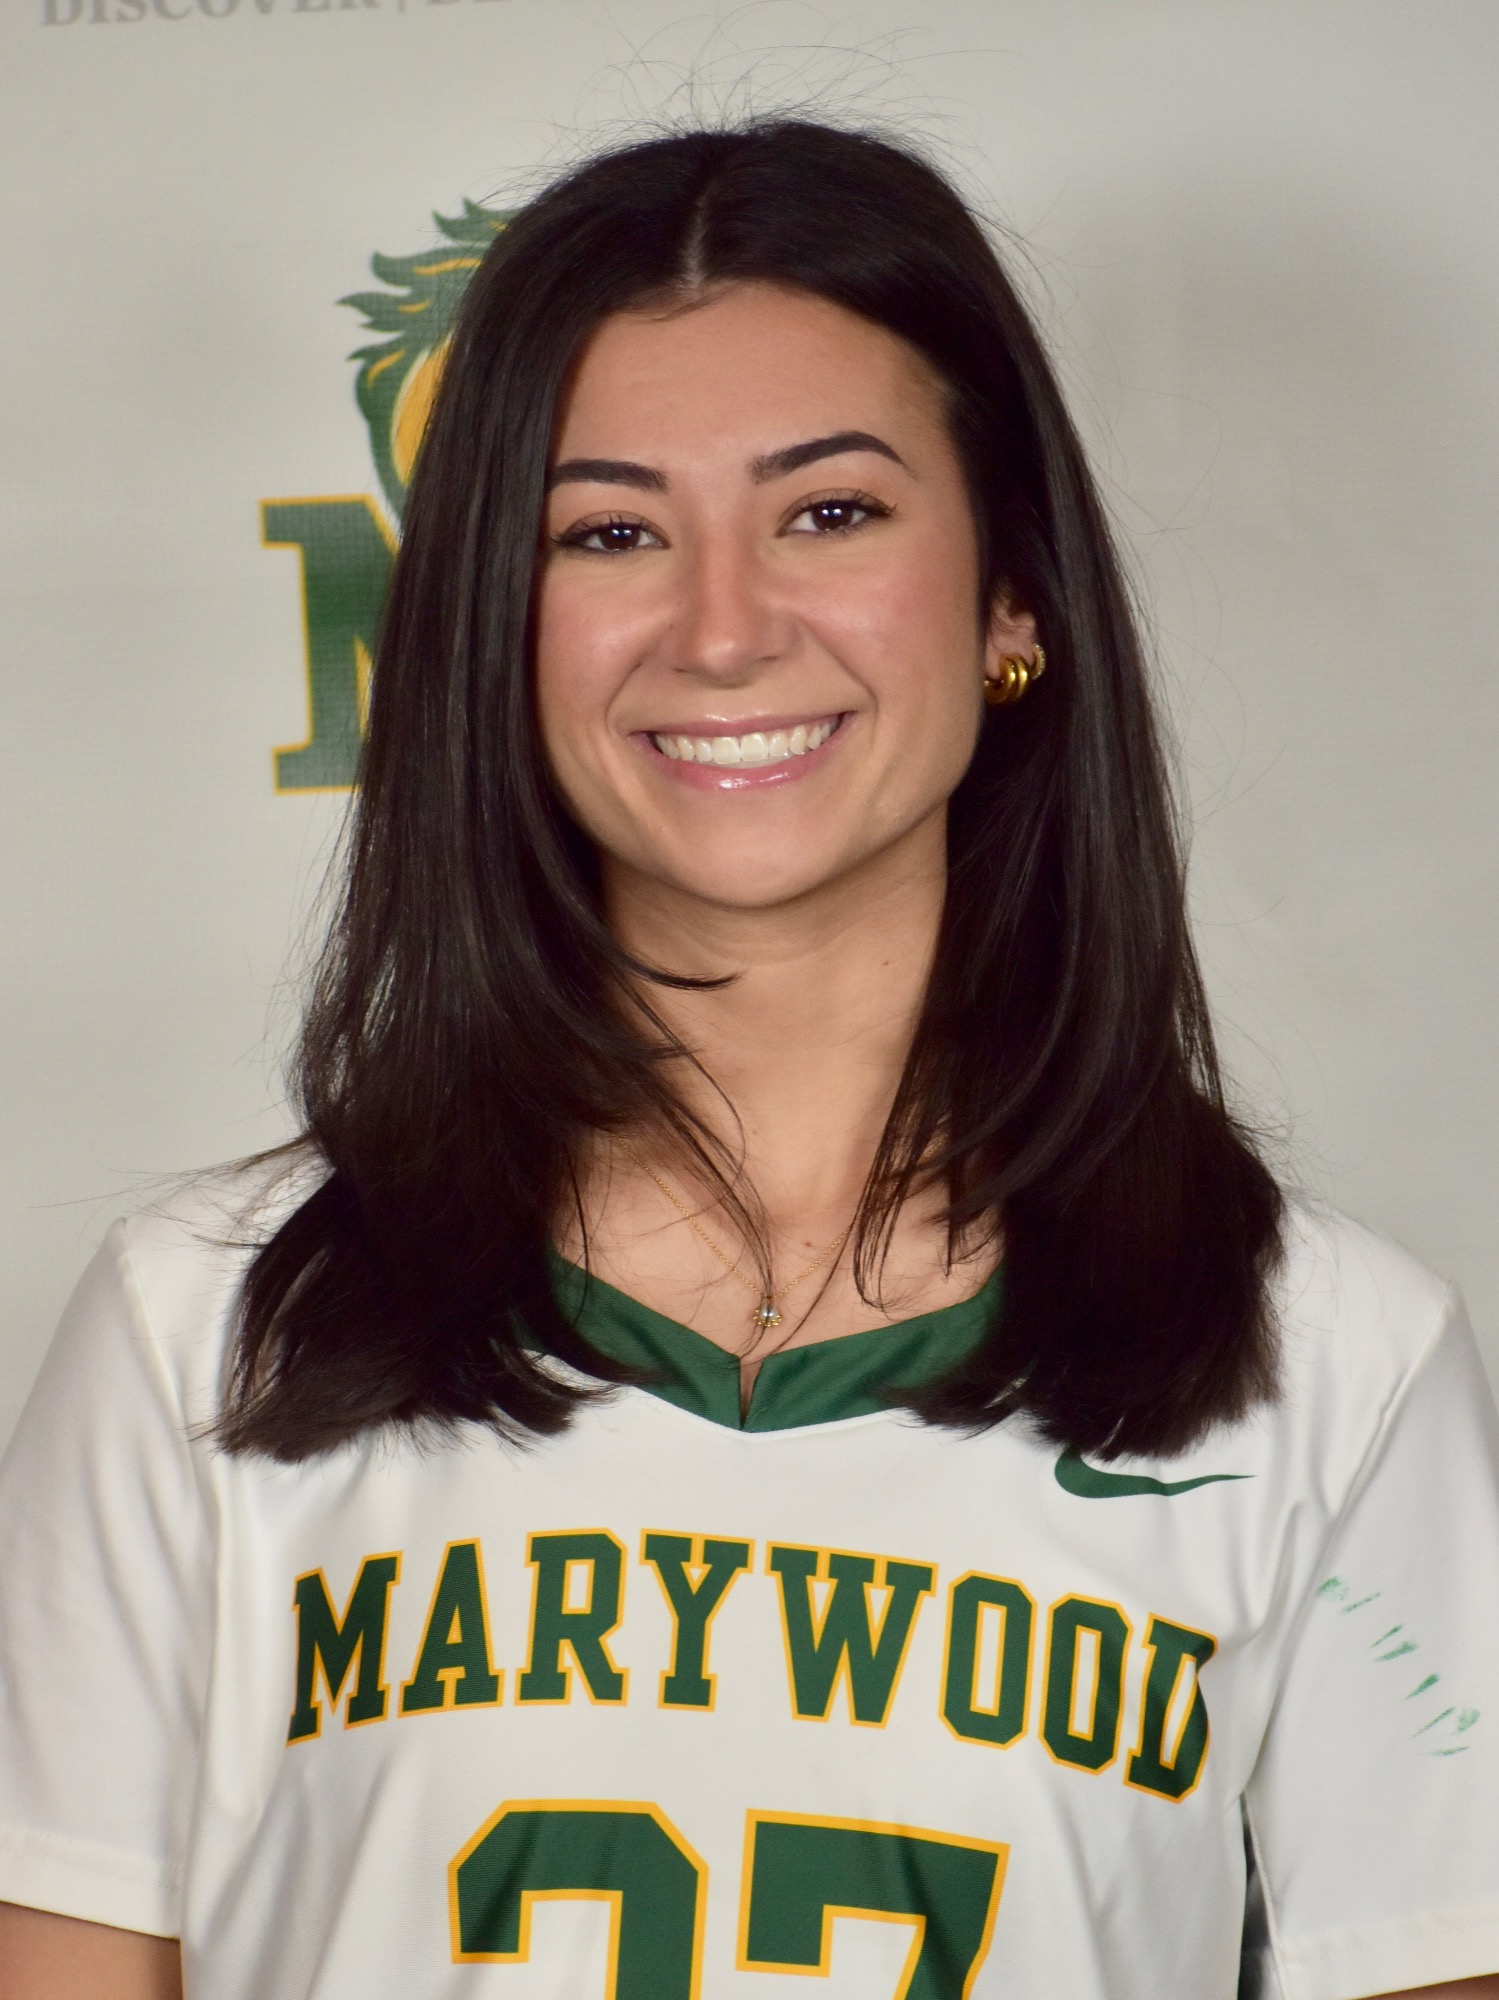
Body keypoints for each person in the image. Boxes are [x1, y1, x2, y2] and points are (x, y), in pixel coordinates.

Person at [0, 118, 1495, 2000]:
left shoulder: (1331, 1366)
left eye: (832, 513)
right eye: (610, 533)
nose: (722, 630)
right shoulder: (204, 1335)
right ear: (492, 631)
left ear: (1014, 596)